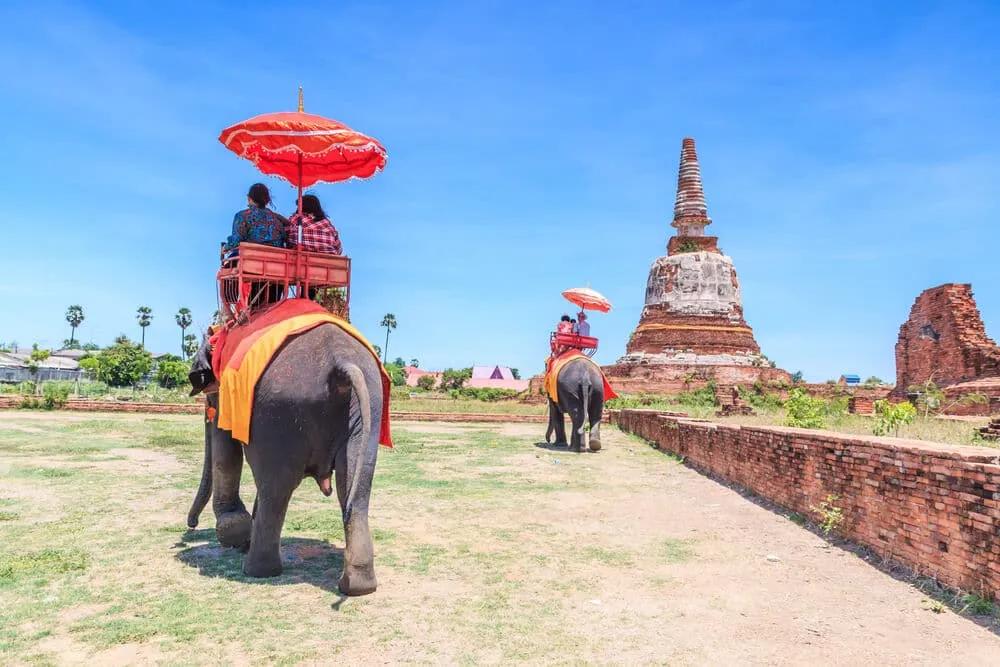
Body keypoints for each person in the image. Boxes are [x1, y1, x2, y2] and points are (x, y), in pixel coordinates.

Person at [224, 183, 288, 255]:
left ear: (249, 198)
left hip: (250, 258)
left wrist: (225, 248)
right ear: (267, 200)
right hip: (277, 261)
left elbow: (235, 241)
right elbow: (286, 238)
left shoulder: (242, 216)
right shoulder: (279, 219)